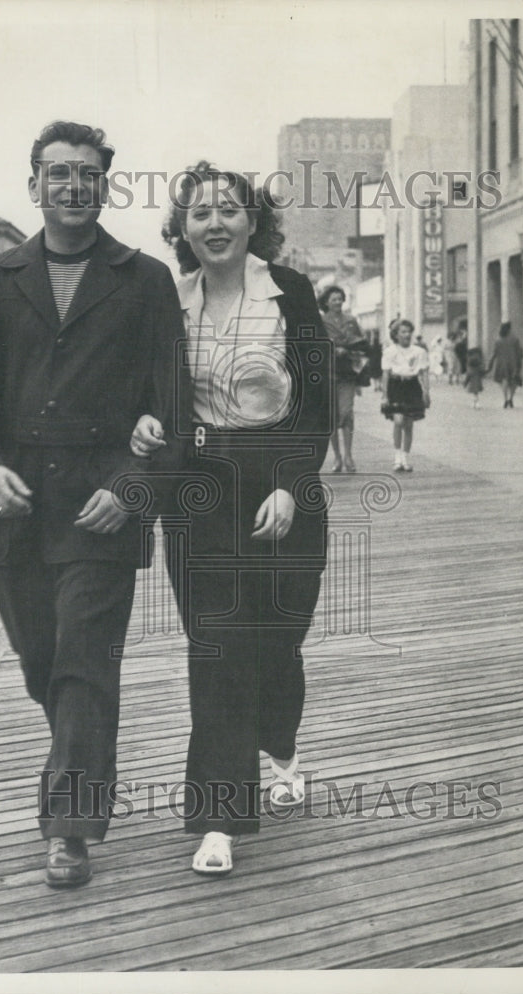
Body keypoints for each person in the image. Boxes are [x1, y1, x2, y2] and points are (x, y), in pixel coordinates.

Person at [0, 121, 183, 889]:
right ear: (34, 184)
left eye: (87, 173)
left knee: (82, 662)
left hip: (102, 509)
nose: (72, 185)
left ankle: (69, 828)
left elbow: (172, 405)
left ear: (104, 185)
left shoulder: (144, 281)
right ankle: (78, 775)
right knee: (43, 662)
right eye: (58, 173)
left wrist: (132, 492)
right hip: (15, 511)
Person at [130, 162, 332, 876]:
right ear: (181, 230)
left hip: (283, 484)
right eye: (198, 214)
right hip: (199, 488)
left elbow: (316, 406)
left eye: (227, 211)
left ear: (253, 221)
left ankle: (281, 746)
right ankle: (218, 818)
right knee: (216, 644)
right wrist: (148, 421)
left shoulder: (291, 295)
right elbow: (144, 388)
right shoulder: (166, 299)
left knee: (275, 643)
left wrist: (289, 482)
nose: (213, 224)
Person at [317, 285, 367, 473]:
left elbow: (362, 343)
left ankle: (349, 455)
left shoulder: (351, 320)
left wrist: (350, 349)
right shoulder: (320, 321)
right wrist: (331, 348)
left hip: (347, 372)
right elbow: (315, 344)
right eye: (334, 299)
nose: (338, 302)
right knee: (331, 417)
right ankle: (337, 457)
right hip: (327, 372)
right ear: (326, 302)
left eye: (340, 298)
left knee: (346, 412)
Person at [380, 319, 430, 472]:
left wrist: (426, 392)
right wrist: (384, 395)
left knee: (408, 424)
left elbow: (424, 373)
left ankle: (405, 458)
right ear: (396, 334)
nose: (407, 335)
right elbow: (386, 374)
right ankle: (397, 457)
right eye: (403, 332)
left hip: (412, 386)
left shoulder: (419, 352)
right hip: (396, 386)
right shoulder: (389, 351)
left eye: (409, 331)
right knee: (398, 421)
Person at [487, 321, 523, 408]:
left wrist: (490, 364)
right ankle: (511, 398)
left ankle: (505, 399)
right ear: (510, 329)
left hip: (501, 364)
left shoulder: (498, 340)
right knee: (514, 382)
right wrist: (520, 362)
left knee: (504, 381)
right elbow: (519, 352)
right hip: (514, 363)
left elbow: (494, 353)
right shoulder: (515, 339)